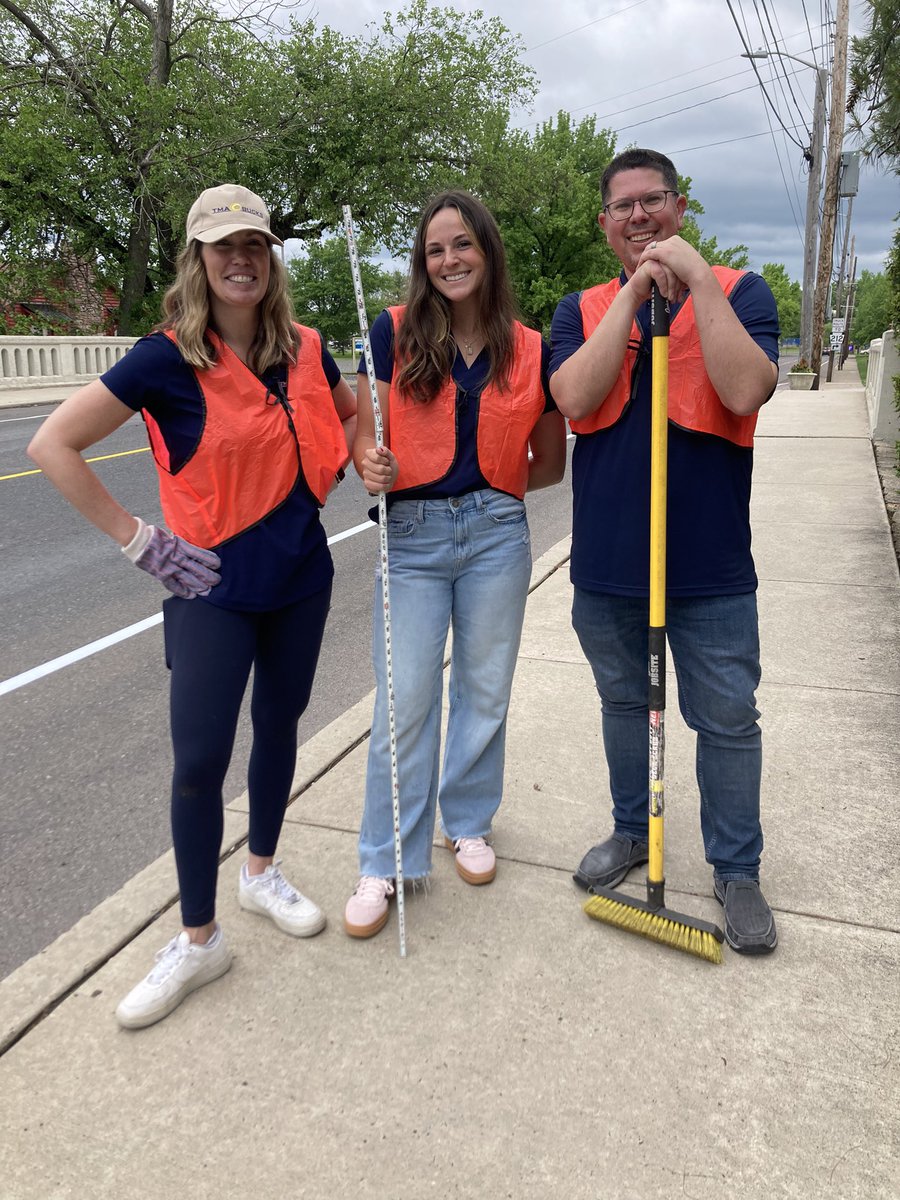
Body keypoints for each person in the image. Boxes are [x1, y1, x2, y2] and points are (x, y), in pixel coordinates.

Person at [28, 184, 357, 1025]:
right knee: (199, 761)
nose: (240, 259)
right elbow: (51, 445)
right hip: (209, 586)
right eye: (223, 247)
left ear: (269, 256)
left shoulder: (307, 349)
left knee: (280, 728)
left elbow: (353, 419)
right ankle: (199, 937)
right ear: (199, 261)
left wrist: (370, 453)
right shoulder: (163, 359)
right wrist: (141, 540)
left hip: (301, 578)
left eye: (253, 244)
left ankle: (260, 874)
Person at [549, 149, 780, 955]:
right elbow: (574, 396)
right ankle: (632, 834)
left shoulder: (744, 293)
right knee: (624, 705)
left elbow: (746, 388)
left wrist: (700, 287)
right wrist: (636, 295)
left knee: (726, 720)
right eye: (623, 207)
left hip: (711, 567)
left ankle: (737, 870)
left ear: (682, 209)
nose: (639, 217)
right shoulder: (579, 308)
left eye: (654, 202)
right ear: (606, 223)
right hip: (610, 566)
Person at [344, 189, 566, 938]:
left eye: (462, 245)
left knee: (484, 689)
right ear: (422, 261)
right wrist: (369, 465)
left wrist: (492, 491)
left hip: (498, 534)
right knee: (403, 703)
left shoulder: (532, 347)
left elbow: (549, 464)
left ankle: (466, 821)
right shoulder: (395, 331)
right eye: (436, 250)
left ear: (487, 251)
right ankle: (385, 859)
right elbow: (362, 431)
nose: (449, 261)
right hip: (409, 537)